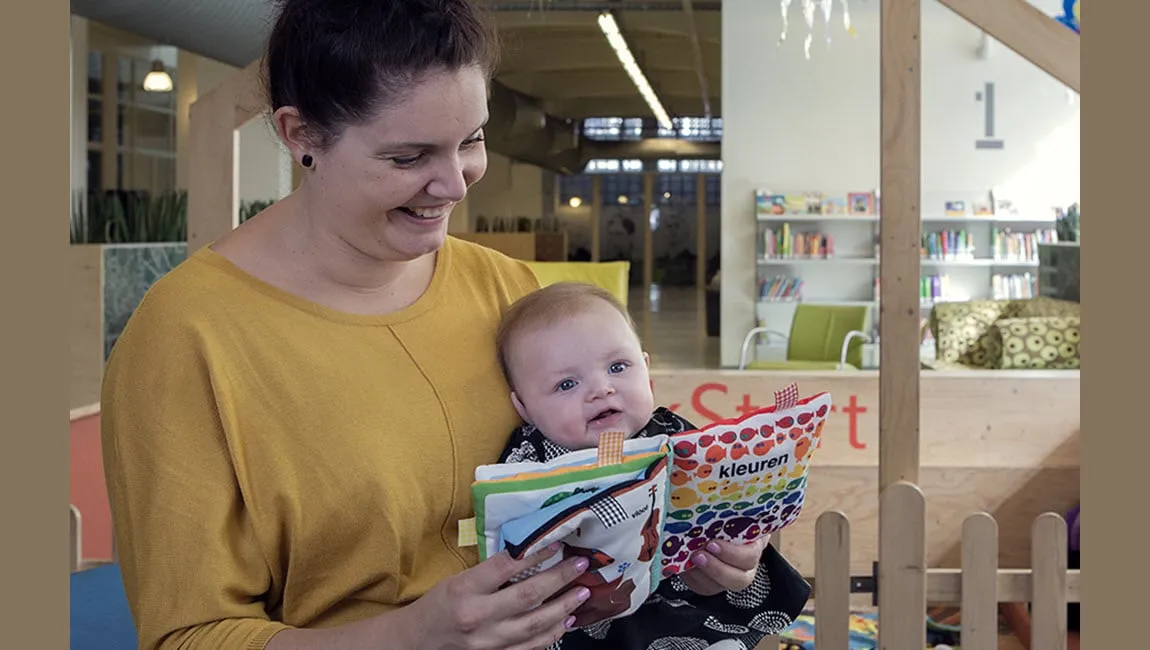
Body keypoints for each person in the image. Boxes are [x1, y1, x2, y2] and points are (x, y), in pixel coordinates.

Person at [100, 2, 603, 649]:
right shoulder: (187, 338)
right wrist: (414, 635)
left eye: (471, 140)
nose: (453, 183)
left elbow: (606, 471)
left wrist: (698, 547)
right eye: (408, 156)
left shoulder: (509, 290)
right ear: (300, 134)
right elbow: (189, 636)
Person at [493, 282, 812, 649]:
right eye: (566, 383)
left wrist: (738, 531)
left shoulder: (672, 436)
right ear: (524, 409)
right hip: (575, 623)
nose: (601, 389)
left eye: (618, 366)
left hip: (682, 609)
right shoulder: (527, 462)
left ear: (646, 370)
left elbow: (724, 493)